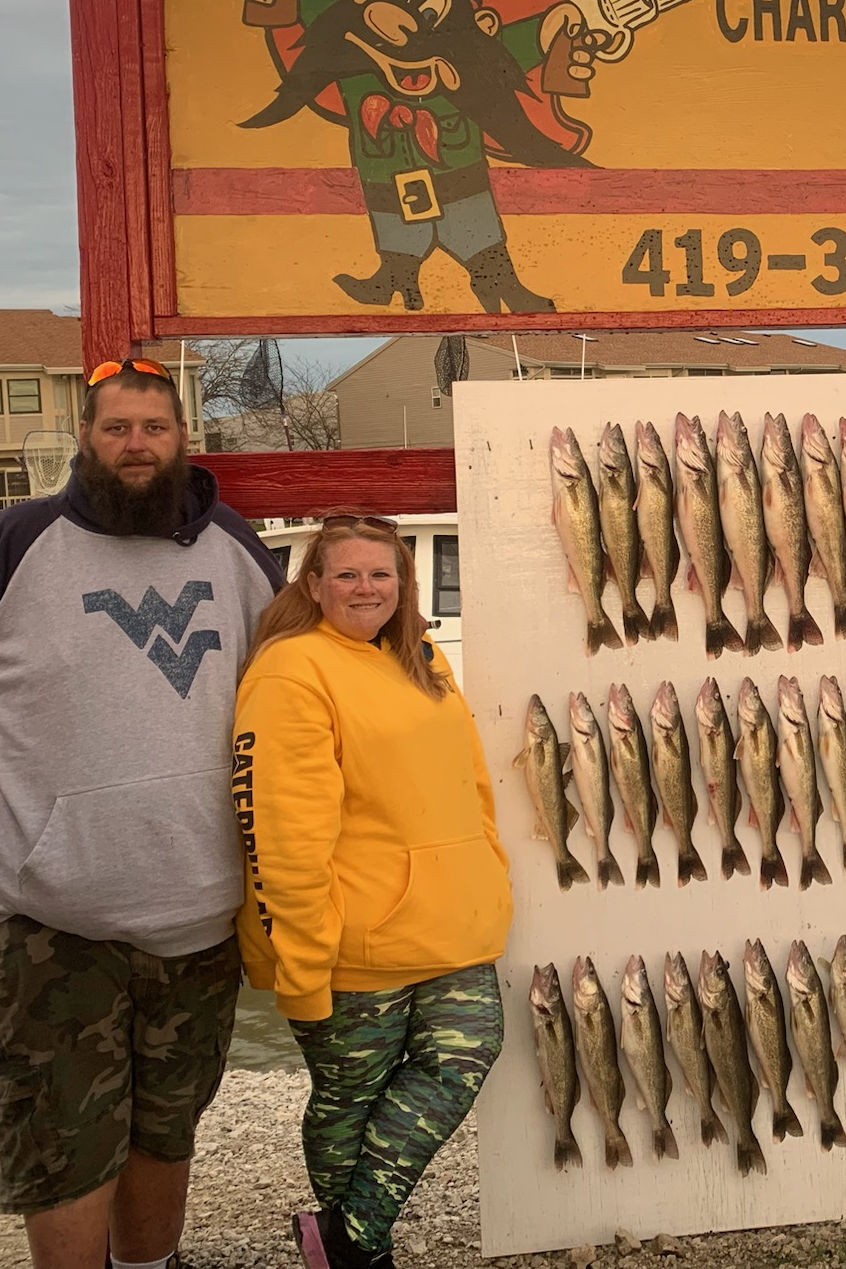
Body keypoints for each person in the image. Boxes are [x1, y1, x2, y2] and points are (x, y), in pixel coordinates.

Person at [0, 358, 283, 1269]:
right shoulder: (15, 542)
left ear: (182, 437)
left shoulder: (235, 546)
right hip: (52, 917)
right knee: (61, 1137)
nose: (135, 446)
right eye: (116, 428)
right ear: (86, 437)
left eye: (154, 428)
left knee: (168, 1123)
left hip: (200, 908)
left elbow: (288, 702)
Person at [234, 515, 512, 1269]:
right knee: (349, 1098)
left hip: (452, 920)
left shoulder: (418, 655)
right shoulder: (291, 669)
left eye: (380, 574)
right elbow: (282, 826)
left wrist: (488, 866)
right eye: (348, 574)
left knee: (467, 1054)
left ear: (403, 581)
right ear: (314, 584)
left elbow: (470, 781)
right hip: (353, 936)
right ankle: (363, 1249)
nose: (366, 588)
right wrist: (303, 955)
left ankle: (347, 1240)